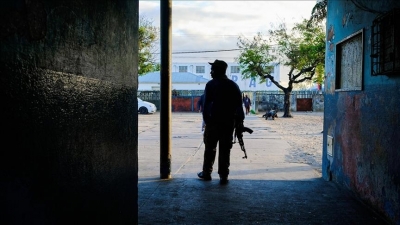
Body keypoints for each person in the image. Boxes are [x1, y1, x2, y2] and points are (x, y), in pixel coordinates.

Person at [197, 59, 245, 185]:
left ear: (218, 70)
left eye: (212, 70)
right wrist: (239, 123)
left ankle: (207, 173)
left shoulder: (211, 85)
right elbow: (239, 107)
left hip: (213, 123)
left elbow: (206, 105)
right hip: (228, 124)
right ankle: (224, 175)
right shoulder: (233, 85)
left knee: (210, 148)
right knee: (225, 149)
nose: (211, 72)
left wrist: (207, 121)